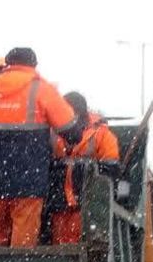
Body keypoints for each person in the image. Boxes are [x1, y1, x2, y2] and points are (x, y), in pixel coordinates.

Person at [0, 48, 83, 247]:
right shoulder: (41, 89)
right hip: (29, 182)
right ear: (33, 65)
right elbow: (71, 131)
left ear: (7, 64)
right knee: (23, 245)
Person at [49, 92, 120, 244]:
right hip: (59, 206)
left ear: (81, 112)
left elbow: (111, 170)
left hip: (87, 206)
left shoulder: (102, 134)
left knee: (80, 245)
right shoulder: (52, 133)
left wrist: (82, 170)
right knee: (60, 247)